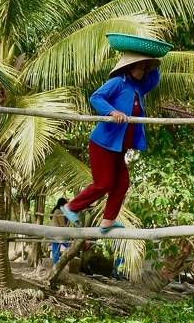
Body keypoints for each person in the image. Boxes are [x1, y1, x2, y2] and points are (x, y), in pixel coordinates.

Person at [63, 51, 161, 232]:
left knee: (122, 183)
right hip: (103, 144)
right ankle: (71, 207)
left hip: (119, 147)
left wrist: (153, 61)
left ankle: (108, 220)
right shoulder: (118, 82)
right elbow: (96, 97)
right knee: (104, 183)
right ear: (130, 67)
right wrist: (112, 112)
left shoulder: (138, 88)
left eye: (144, 68)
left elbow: (154, 80)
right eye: (140, 67)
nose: (143, 71)